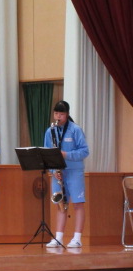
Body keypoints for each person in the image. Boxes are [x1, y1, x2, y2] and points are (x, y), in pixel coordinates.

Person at [43, 100, 89, 248]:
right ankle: (58, 238)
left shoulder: (75, 130)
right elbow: (46, 153)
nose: (58, 117)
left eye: (61, 114)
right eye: (56, 113)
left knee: (78, 204)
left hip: (74, 171)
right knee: (60, 205)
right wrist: (53, 171)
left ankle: (77, 238)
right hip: (58, 173)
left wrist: (66, 154)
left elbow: (84, 151)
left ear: (67, 114)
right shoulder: (50, 131)